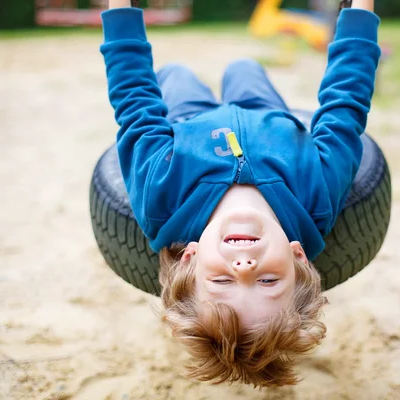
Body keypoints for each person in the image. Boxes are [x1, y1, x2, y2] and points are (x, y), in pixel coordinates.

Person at [100, 0, 380, 387]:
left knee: (175, 74)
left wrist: (120, 10)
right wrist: (361, 12)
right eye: (268, 281)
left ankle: (184, 79)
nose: (243, 268)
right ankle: (239, 74)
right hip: (263, 113)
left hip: (186, 121)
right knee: (244, 67)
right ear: (298, 255)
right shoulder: (317, 196)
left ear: (190, 260)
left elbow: (134, 103)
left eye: (221, 283)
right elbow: (346, 106)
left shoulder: (161, 198)